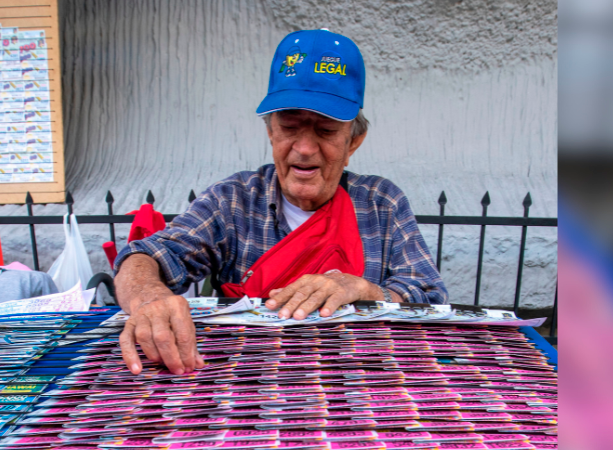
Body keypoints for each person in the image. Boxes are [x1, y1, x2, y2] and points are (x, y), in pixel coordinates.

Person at [112, 30, 448, 375]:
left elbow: (430, 296)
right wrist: (150, 298)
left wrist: (365, 290)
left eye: (326, 131)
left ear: (353, 142)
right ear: (270, 132)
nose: (304, 148)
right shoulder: (234, 200)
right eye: (289, 127)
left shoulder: (381, 203)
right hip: (247, 379)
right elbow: (147, 256)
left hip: (356, 378)